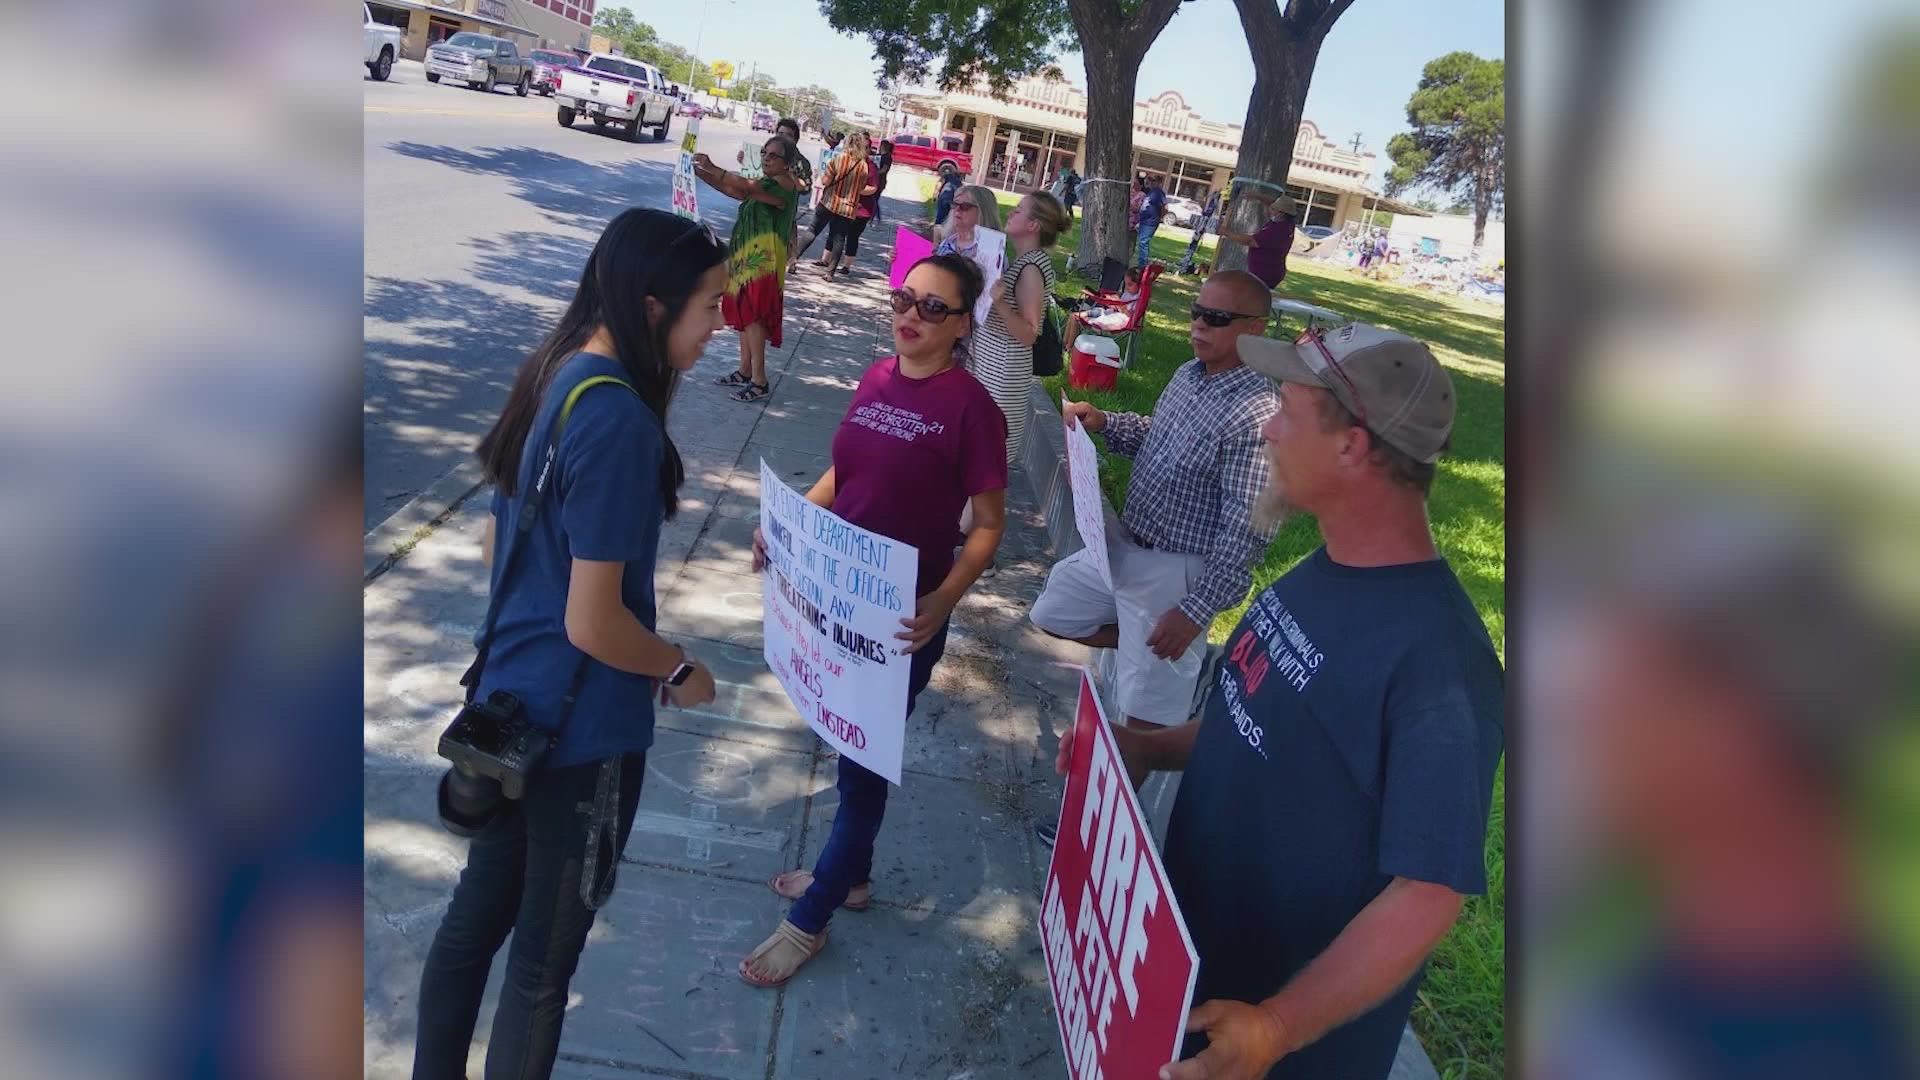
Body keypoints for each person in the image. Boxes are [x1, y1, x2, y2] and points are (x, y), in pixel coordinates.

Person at [1060, 323, 1503, 1080]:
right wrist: (1146, 749)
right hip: (1198, 971)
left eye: (1287, 409)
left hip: (1283, 1044)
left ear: (1351, 446)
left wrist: (1276, 1027)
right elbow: (1252, 721)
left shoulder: (1441, 665)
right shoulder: (1324, 568)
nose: (1267, 427)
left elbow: (1429, 894)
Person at [412, 208, 726, 1080]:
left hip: (510, 703)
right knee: (542, 972)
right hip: (580, 736)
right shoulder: (618, 419)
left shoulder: (557, 372)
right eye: (711, 308)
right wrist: (678, 669)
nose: (720, 328)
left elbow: (495, 542)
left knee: (474, 923)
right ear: (655, 306)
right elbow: (595, 621)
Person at [740, 253, 1008, 987]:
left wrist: (944, 599)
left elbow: (987, 525)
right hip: (837, 600)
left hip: (900, 622)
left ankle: (813, 917)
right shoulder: (875, 377)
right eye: (904, 299)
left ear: (962, 324)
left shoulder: (972, 408)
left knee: (861, 767)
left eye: (932, 308)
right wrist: (786, 529)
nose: (910, 316)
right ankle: (850, 880)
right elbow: (842, 477)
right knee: (842, 741)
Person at [1031, 270, 1280, 846]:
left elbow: (1250, 528)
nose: (1198, 325)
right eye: (1197, 311)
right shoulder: (1188, 374)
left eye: (1216, 318)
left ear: (1255, 330)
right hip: (1125, 545)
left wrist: (1195, 610)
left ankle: (1102, 829)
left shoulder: (1258, 413)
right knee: (1054, 610)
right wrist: (1105, 423)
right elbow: (1155, 433)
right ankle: (1157, 650)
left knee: (1145, 714)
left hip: (1178, 570)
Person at [695, 135, 802, 405]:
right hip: (748, 256)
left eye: (773, 155)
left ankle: (759, 380)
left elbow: (744, 187)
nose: (766, 158)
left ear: (788, 162)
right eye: (764, 153)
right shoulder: (767, 183)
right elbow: (735, 191)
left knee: (754, 318)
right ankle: (745, 371)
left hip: (764, 262)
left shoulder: (784, 186)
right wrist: (700, 172)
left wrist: (713, 167)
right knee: (744, 314)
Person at [971, 190, 1068, 469]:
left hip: (1003, 372)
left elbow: (1029, 333)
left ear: (1033, 225)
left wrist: (999, 302)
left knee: (987, 458)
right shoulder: (1023, 261)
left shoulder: (1032, 268)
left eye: (1019, 209)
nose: (1011, 211)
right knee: (979, 455)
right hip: (992, 364)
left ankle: (976, 514)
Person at [831, 136, 889, 277]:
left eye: (864, 147)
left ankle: (846, 266)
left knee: (852, 237)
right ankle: (828, 262)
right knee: (837, 235)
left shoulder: (871, 167)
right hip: (845, 206)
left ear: (868, 149)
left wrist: (857, 189)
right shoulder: (848, 161)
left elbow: (873, 188)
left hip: (862, 210)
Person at [1218, 194, 1298, 290]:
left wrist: (1227, 233)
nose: (1270, 210)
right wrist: (1257, 196)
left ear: (1281, 213)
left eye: (1273, 209)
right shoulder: (1287, 223)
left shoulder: (1277, 230)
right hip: (1270, 272)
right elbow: (1271, 202)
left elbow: (1250, 241)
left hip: (1265, 274)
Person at [1060, 265, 1143, 355]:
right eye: (1126, 284)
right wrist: (1112, 302)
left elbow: (1129, 316)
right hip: (1108, 313)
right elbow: (1119, 306)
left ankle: (1068, 348)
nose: (1126, 287)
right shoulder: (1128, 294)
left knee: (1076, 318)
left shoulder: (1137, 299)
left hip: (1114, 320)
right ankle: (1063, 344)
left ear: (1139, 284)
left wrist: (1119, 305)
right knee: (1073, 315)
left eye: (1130, 285)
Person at [935, 183, 1002, 261]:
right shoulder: (948, 242)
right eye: (955, 204)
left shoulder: (993, 250)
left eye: (965, 206)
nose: (957, 210)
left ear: (983, 211)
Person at [1178, 189, 1222, 274]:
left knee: (1193, 245)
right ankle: (1186, 261)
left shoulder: (1214, 205)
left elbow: (1214, 212)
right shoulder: (1211, 204)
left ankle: (1186, 262)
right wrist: (1210, 196)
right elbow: (1204, 207)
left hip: (1201, 227)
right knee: (1192, 245)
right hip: (1200, 227)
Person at [1135, 175, 1169, 268]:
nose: (1151, 182)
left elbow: (1165, 208)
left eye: (1154, 180)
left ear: (1159, 182)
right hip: (1144, 220)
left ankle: (1142, 266)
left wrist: (1159, 218)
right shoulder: (1151, 192)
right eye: (1150, 180)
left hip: (1150, 222)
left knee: (1143, 242)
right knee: (1141, 242)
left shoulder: (1159, 192)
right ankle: (1141, 264)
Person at [933, 162, 964, 226]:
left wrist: (934, 195)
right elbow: (962, 191)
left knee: (940, 216)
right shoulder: (959, 181)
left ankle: (936, 229)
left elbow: (938, 185)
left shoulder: (945, 176)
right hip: (953, 200)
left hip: (944, 197)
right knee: (950, 218)